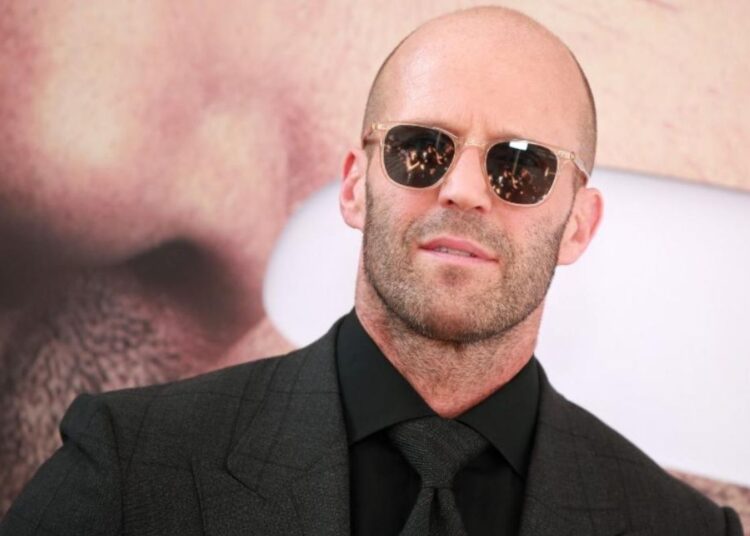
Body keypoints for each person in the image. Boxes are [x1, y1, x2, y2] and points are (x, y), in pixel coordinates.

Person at [1, 6, 743, 535]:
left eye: (521, 166)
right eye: (421, 148)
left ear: (579, 222)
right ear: (356, 185)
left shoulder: (682, 528)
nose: (462, 189)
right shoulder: (127, 468)